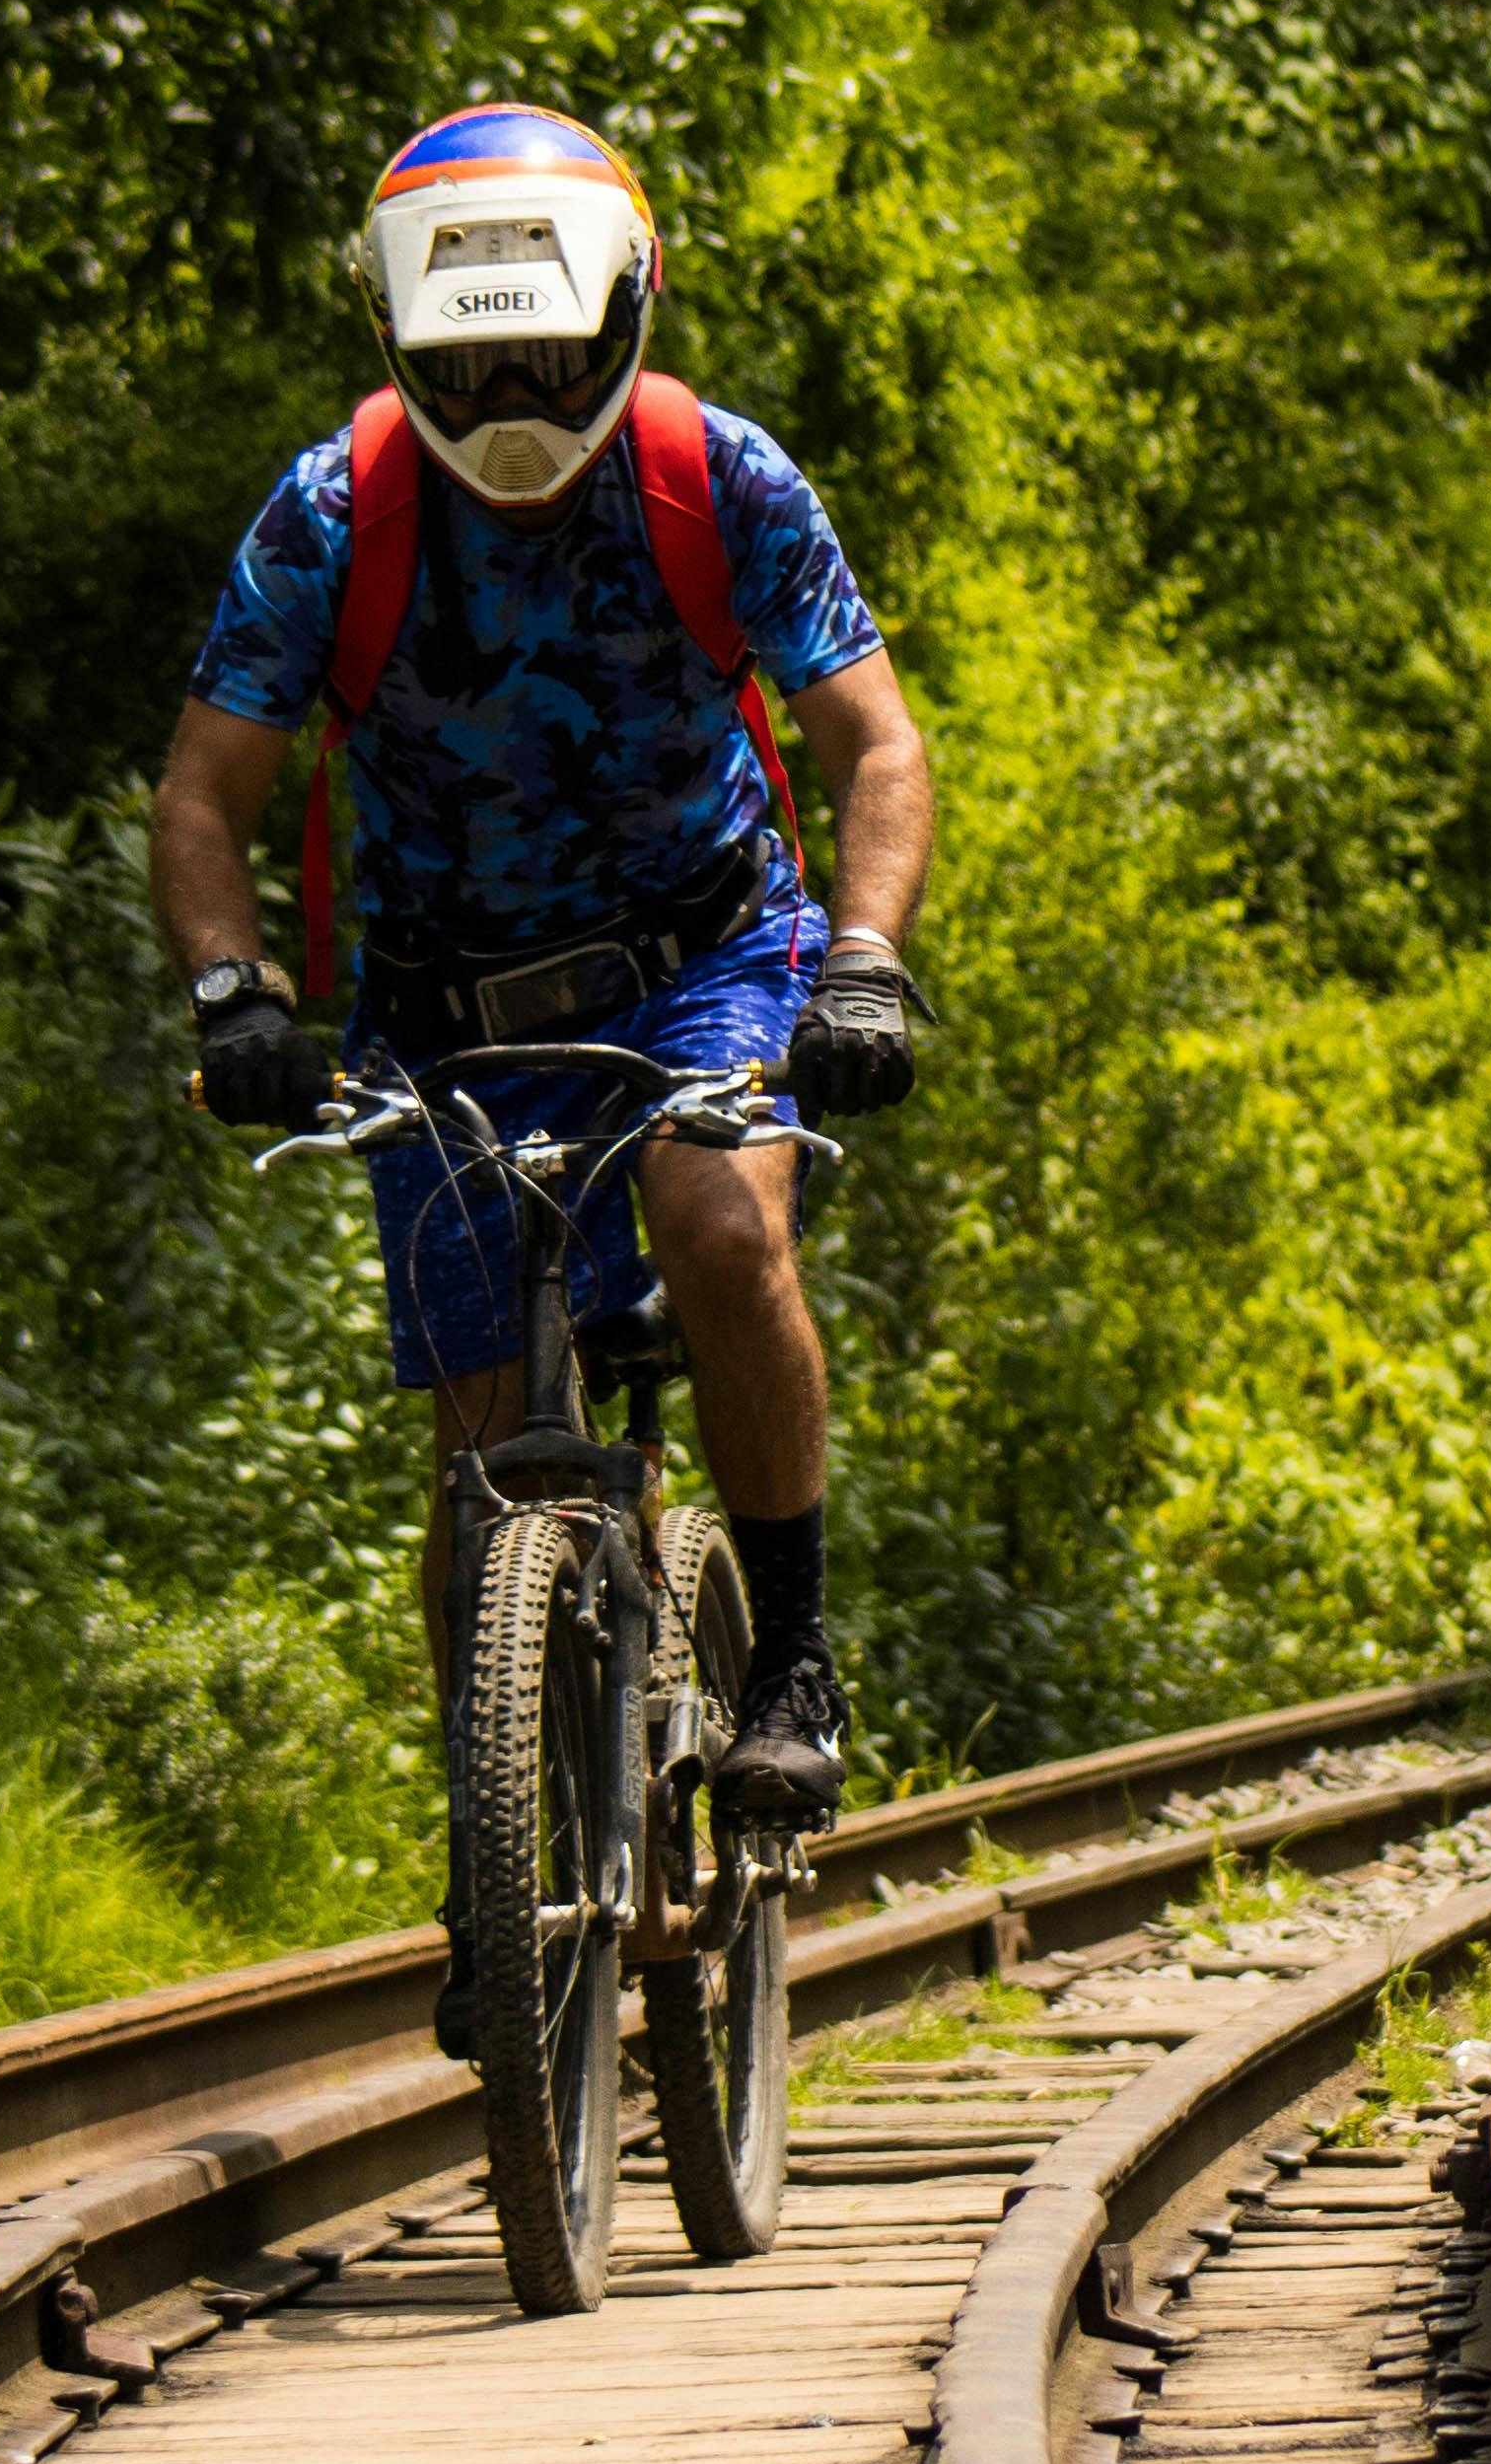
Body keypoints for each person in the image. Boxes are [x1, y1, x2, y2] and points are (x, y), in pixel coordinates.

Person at [149, 100, 934, 2055]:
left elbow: (873, 752)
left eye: (541, 353)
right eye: (468, 357)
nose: (507, 393)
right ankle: (495, 1844)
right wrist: (235, 997)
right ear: (405, 339)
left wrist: (862, 966)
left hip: (700, 961)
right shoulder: (329, 517)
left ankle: (793, 1665)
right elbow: (203, 791)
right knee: (479, 1440)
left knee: (712, 1217)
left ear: (623, 319)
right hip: (433, 1003)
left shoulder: (714, 479)